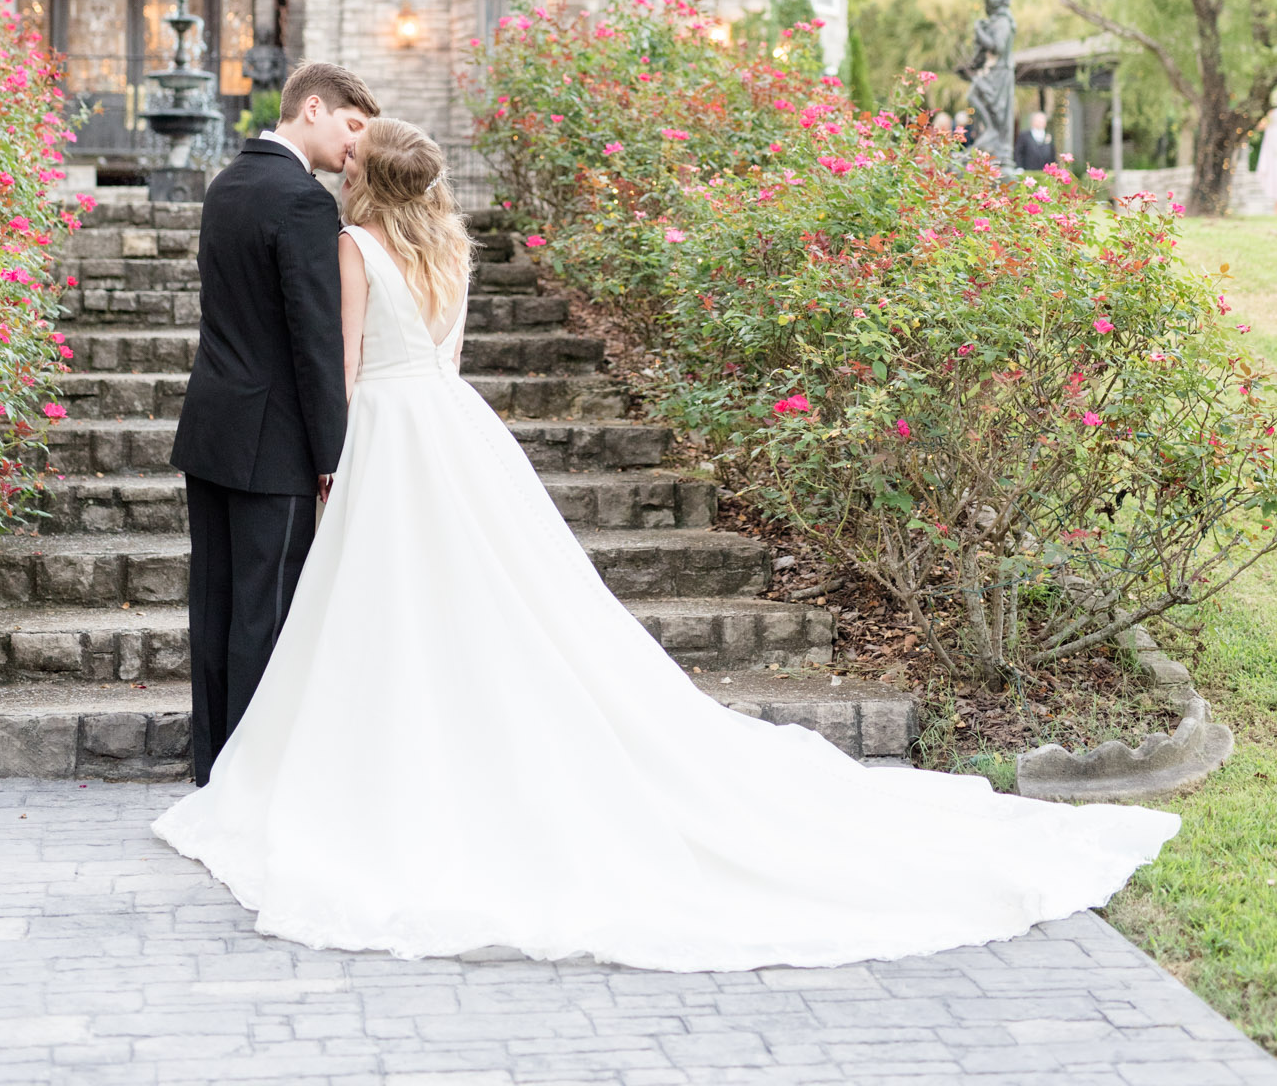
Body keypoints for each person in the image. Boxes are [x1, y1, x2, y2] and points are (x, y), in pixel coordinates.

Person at [155, 116, 1176, 970]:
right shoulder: (453, 250)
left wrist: (331, 460)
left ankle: (380, 759)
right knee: (489, 599)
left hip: (383, 428)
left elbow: (337, 364)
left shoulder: (353, 245)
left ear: (363, 180)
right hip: (453, 428)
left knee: (387, 604)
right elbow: (444, 357)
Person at [171, 60, 379, 786]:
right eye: (353, 126)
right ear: (313, 108)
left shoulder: (227, 183)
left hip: (213, 428)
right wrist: (333, 452)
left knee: (217, 606)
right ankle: (251, 781)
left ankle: (214, 769)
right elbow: (314, 340)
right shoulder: (302, 201)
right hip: (277, 441)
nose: (356, 146)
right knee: (266, 611)